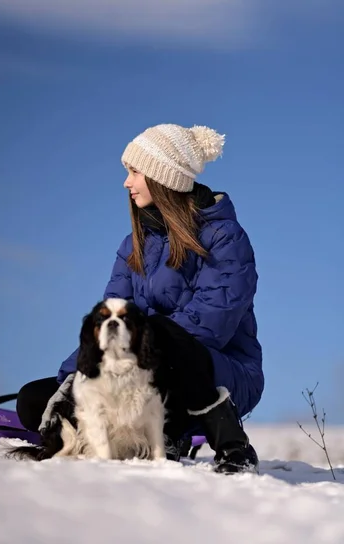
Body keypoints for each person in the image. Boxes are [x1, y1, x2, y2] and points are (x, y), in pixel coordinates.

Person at [16, 123, 264, 474]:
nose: (126, 183)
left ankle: (232, 444)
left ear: (165, 178)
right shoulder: (132, 245)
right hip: (143, 367)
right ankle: (159, 430)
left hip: (217, 370)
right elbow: (109, 322)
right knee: (33, 400)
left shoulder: (224, 237)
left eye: (134, 172)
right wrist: (74, 380)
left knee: (161, 331)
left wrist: (141, 344)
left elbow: (212, 324)